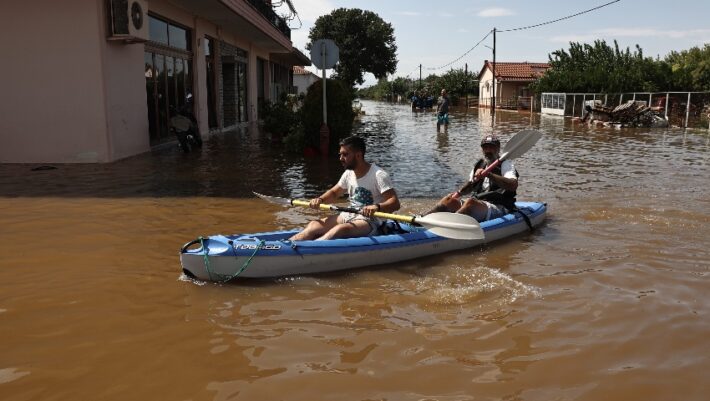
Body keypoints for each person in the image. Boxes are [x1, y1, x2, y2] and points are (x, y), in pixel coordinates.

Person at [289, 136, 401, 241]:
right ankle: (288, 244)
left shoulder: (379, 175)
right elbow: (334, 193)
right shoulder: (348, 174)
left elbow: (395, 203)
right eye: (340, 154)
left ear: (358, 155)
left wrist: (376, 207)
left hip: (371, 220)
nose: (341, 158)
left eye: (345, 154)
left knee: (340, 230)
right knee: (314, 225)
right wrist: (320, 200)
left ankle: (309, 249)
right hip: (349, 214)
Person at [424, 134, 518, 222]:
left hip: (499, 205)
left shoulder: (506, 164)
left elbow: (513, 185)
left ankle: (449, 225)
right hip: (480, 202)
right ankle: (423, 219)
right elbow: (471, 184)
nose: (488, 150)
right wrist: (458, 193)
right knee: (448, 199)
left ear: (498, 149)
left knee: (470, 203)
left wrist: (488, 174)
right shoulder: (479, 164)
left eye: (491, 147)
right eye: (485, 147)